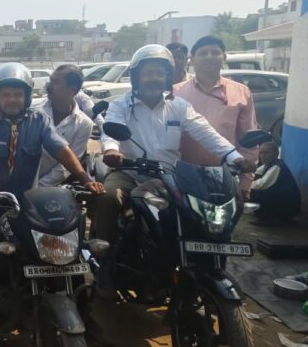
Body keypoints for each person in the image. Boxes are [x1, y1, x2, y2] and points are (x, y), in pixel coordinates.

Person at [0, 62, 106, 347]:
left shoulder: (38, 119)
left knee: (70, 255)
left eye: (18, 94)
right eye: (7, 94)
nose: (13, 100)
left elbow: (61, 149)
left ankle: (84, 317)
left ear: (27, 96)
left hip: (29, 201)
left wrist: (86, 179)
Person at [93, 45, 256, 295]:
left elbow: (206, 133)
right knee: (107, 197)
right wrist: (112, 151)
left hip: (167, 176)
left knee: (193, 210)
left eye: (159, 72)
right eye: (148, 72)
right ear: (137, 76)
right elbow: (110, 130)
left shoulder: (180, 106)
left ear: (167, 76)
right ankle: (105, 261)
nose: (154, 77)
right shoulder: (122, 105)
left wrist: (235, 157)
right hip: (129, 172)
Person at [175, 36, 259, 200]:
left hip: (226, 174)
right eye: (203, 53)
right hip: (184, 174)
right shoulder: (175, 93)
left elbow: (249, 140)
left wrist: (245, 183)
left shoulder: (241, 92)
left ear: (224, 58)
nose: (209, 57)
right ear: (192, 60)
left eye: (215, 53)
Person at [35, 64, 95, 187]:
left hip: (46, 188)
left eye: (56, 82)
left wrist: (38, 186)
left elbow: (65, 167)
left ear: (72, 90)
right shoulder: (33, 109)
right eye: (50, 80)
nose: (49, 86)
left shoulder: (84, 124)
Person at [250, 142, 302, 224]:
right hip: (284, 203)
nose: (263, 156)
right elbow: (255, 174)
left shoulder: (277, 166)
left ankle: (271, 217)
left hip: (287, 206)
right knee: (254, 186)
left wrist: (246, 186)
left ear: (276, 154)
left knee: (256, 190)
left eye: (266, 152)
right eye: (261, 153)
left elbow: (262, 184)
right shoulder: (267, 166)